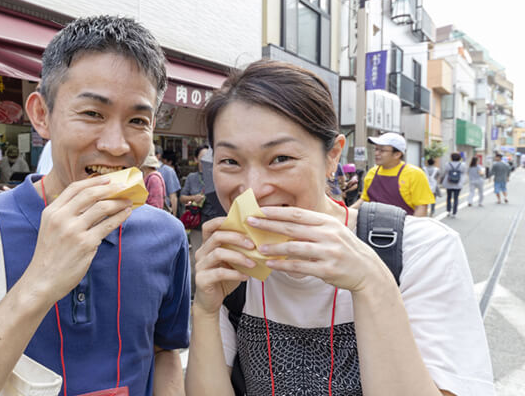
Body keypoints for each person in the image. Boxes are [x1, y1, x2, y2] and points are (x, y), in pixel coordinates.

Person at [0, 16, 190, 396]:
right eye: (92, 113)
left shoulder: (167, 235)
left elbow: (164, 349)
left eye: (137, 120)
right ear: (41, 115)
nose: (117, 145)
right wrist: (40, 281)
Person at [185, 60, 493, 396]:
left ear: (332, 155)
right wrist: (204, 309)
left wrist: (372, 283)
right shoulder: (230, 269)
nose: (253, 189)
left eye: (281, 158)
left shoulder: (422, 250)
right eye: (230, 161)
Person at [351, 133, 434, 217]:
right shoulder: (372, 173)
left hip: (404, 227)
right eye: (376, 149)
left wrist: (412, 229)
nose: (376, 153)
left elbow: (421, 208)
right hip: (372, 227)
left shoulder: (414, 174)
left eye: (382, 150)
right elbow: (364, 200)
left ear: (397, 154)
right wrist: (346, 212)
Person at [441, 152, 465, 217]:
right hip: (458, 183)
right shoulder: (462, 165)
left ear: (451, 158)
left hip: (449, 182)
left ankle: (448, 211)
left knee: (448, 197)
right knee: (456, 198)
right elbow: (463, 172)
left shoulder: (447, 164)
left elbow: (445, 172)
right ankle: (454, 212)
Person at [158, 147, 181, 215]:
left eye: (163, 160)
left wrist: (173, 216)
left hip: (165, 211)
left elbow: (173, 196)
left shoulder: (168, 171)